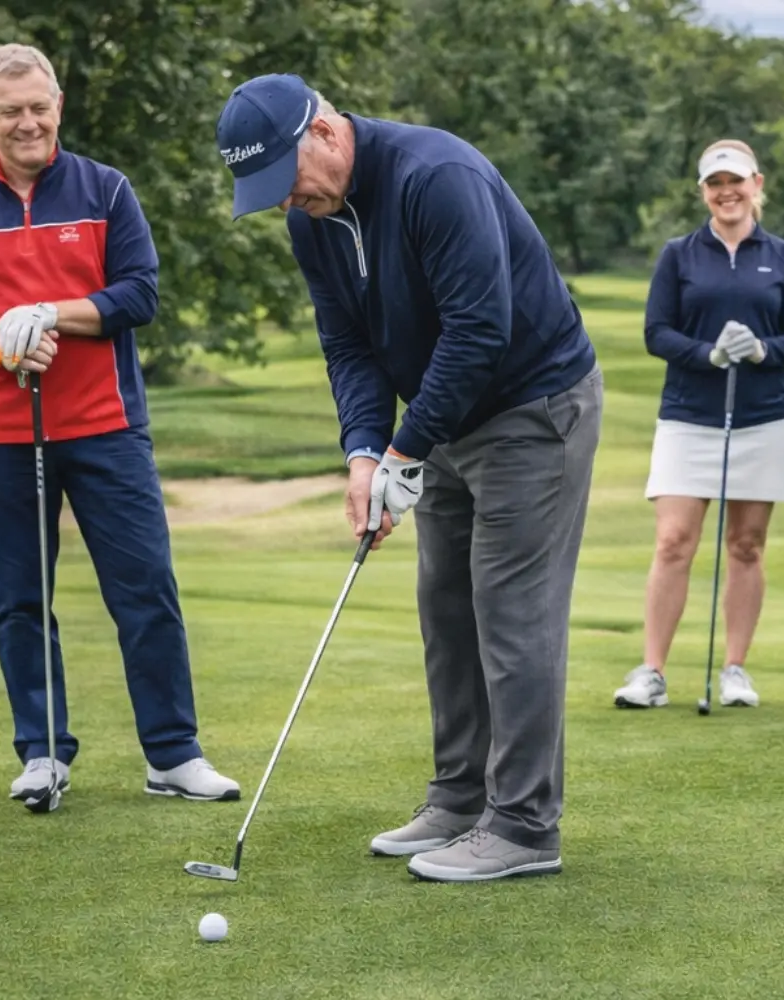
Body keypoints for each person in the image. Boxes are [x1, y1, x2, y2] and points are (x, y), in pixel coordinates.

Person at [215, 73, 602, 883]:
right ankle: (461, 798)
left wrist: (405, 448)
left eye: (285, 179)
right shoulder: (312, 220)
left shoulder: (435, 176)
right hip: (447, 415)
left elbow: (480, 329)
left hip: (532, 407)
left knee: (512, 613)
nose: (285, 201)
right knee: (446, 608)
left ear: (325, 132)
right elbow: (347, 344)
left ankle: (524, 825)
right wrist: (365, 451)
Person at [0, 43, 240, 810]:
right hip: (0, 434)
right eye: (11, 111)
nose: (28, 123)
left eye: (39, 107)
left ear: (58, 106)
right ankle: (43, 753)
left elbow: (139, 294)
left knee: (145, 590)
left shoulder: (105, 189)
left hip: (106, 428)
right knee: (20, 599)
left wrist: (49, 313)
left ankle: (173, 756)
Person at [612, 140, 784, 711]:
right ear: (703, 191)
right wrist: (707, 355)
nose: (727, 192)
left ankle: (735, 669)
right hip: (689, 415)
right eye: (715, 183)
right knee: (673, 541)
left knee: (746, 545)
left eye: (736, 181)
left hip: (764, 416)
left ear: (756, 184)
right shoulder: (679, 254)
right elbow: (657, 332)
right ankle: (652, 671)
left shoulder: (783, 256)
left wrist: (762, 351)